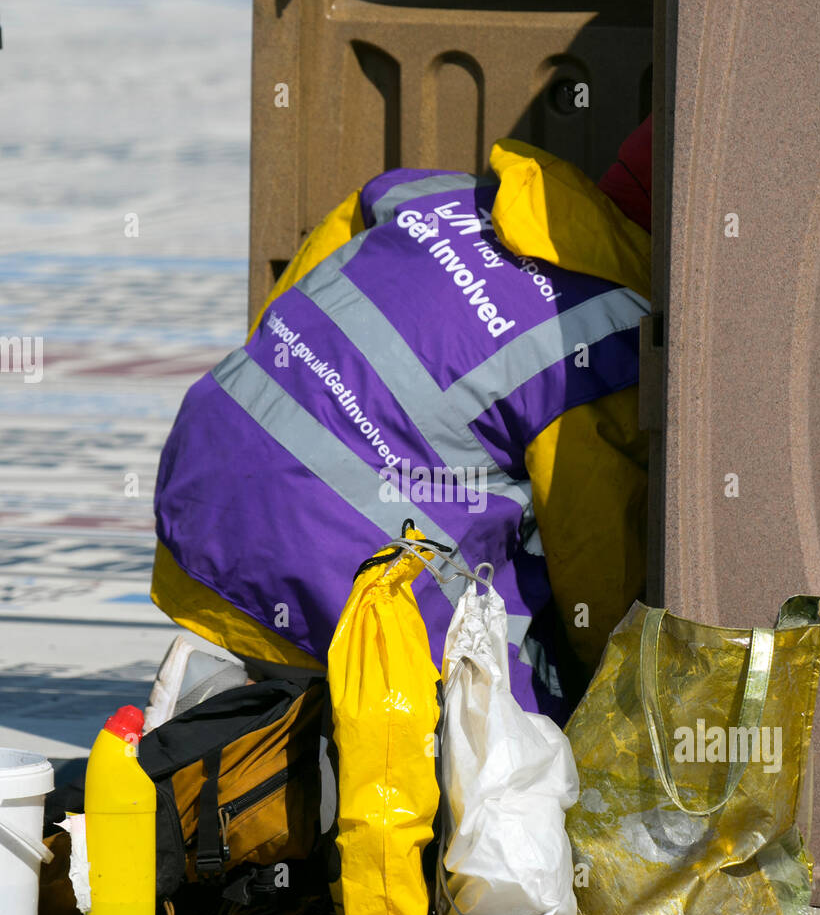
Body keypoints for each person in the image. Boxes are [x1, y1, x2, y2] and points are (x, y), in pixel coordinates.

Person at [150, 120, 652, 722]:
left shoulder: (429, 196)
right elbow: (594, 567)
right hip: (317, 579)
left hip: (199, 496)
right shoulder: (608, 337)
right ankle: (281, 744)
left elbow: (288, 312)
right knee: (515, 715)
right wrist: (621, 699)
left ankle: (235, 707)